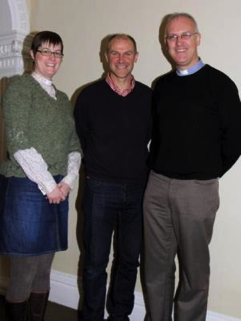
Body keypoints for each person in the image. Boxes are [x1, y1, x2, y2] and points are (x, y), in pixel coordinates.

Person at [143, 12, 241, 321]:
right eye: (172, 37)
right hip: (157, 187)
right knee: (156, 267)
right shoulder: (161, 86)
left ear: (198, 38)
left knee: (194, 272)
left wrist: (205, 172)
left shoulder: (221, 84)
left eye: (185, 35)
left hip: (197, 191)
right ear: (165, 44)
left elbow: (235, 140)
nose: (179, 42)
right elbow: (157, 136)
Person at [0, 31, 81, 321]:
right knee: (24, 270)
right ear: (33, 54)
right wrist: (49, 185)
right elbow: (18, 140)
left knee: (45, 267)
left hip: (57, 188)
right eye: (45, 51)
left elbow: (74, 144)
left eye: (57, 53)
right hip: (26, 187)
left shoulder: (61, 98)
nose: (52, 58)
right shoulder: (19, 88)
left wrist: (67, 182)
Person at [74, 34, 152, 321]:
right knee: (95, 262)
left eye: (127, 53)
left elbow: (154, 141)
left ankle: (120, 316)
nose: (121, 59)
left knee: (130, 260)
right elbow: (78, 142)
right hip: (100, 189)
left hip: (138, 190)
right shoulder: (88, 96)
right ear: (105, 56)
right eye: (115, 53)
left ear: (136, 57)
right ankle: (92, 317)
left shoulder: (148, 97)